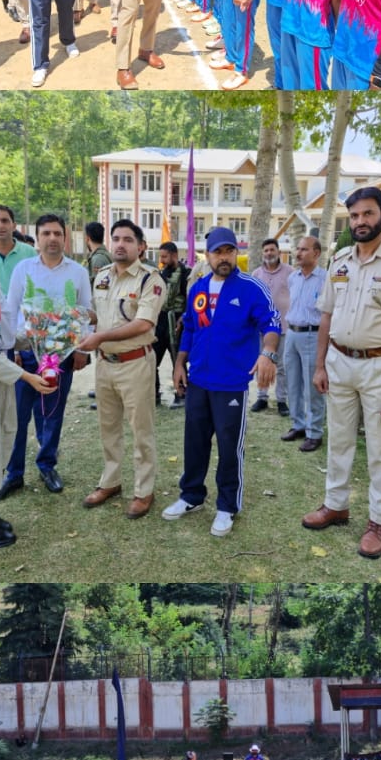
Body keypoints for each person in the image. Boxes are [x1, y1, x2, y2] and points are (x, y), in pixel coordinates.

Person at [303, 187, 381, 558]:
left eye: (368, 214)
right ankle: (336, 505)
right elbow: (326, 314)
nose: (360, 222)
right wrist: (320, 364)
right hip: (339, 363)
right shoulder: (339, 260)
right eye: (354, 216)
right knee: (338, 439)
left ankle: (378, 521)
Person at [165, 226, 281, 537]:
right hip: (199, 380)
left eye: (229, 251)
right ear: (208, 255)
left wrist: (268, 353)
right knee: (194, 443)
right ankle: (191, 496)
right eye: (218, 252)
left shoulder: (251, 287)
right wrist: (179, 364)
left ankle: (227, 505)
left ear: (236, 253)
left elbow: (271, 322)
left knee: (229, 448)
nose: (224, 257)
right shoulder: (199, 288)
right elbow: (189, 328)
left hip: (231, 383)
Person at [76, 220, 168, 515]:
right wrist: (70, 317)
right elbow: (97, 315)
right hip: (104, 365)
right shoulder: (102, 276)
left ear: (140, 247)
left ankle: (143, 490)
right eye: (116, 238)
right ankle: (111, 481)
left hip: (135, 365)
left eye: (128, 239)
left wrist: (100, 336)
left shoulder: (150, 280)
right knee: (108, 427)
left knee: (141, 430)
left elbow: (143, 323)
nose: (120, 244)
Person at [1, 214, 93, 498]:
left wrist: (79, 351)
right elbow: (10, 310)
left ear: (65, 237)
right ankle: (13, 474)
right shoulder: (23, 270)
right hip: (26, 355)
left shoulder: (77, 272)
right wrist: (12, 350)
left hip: (60, 357)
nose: (52, 238)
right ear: (37, 237)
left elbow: (85, 313)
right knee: (17, 416)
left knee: (52, 414)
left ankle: (47, 465)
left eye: (57, 233)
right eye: (46, 233)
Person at [283, 235, 326, 454]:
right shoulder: (294, 277)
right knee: (293, 383)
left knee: (312, 387)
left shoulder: (325, 279)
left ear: (316, 253)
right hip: (292, 333)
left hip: (313, 335)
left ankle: (315, 432)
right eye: (297, 248)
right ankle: (298, 424)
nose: (298, 253)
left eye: (304, 249)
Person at [248, 239, 291, 414]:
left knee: (282, 366)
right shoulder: (256, 274)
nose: (268, 253)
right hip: (262, 328)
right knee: (262, 363)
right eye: (265, 250)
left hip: (284, 326)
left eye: (272, 250)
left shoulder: (290, 272)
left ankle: (281, 400)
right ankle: (262, 397)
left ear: (278, 252)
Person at [154, 241, 189, 407]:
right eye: (161, 256)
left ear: (174, 255)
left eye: (165, 256)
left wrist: (184, 318)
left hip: (177, 321)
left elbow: (191, 300)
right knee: (152, 359)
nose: (162, 260)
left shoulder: (186, 275)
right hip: (160, 321)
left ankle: (182, 394)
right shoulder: (161, 274)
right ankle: (154, 394)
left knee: (178, 360)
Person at [0, 205, 36, 293]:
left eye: (4, 221)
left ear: (14, 226)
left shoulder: (29, 252)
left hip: (22, 306)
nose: (0, 225)